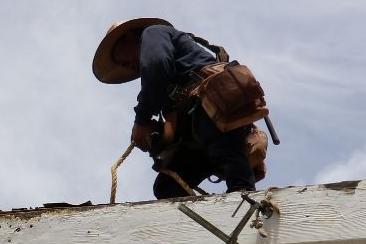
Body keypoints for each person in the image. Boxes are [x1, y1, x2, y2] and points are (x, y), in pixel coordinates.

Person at [92, 17, 256, 199]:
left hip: (215, 106)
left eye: (122, 60)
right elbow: (171, 129)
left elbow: (156, 65)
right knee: (166, 187)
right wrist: (158, 141)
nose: (127, 66)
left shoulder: (152, 32)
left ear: (128, 38)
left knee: (227, 157)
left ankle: (244, 197)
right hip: (198, 130)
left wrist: (142, 119)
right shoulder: (169, 88)